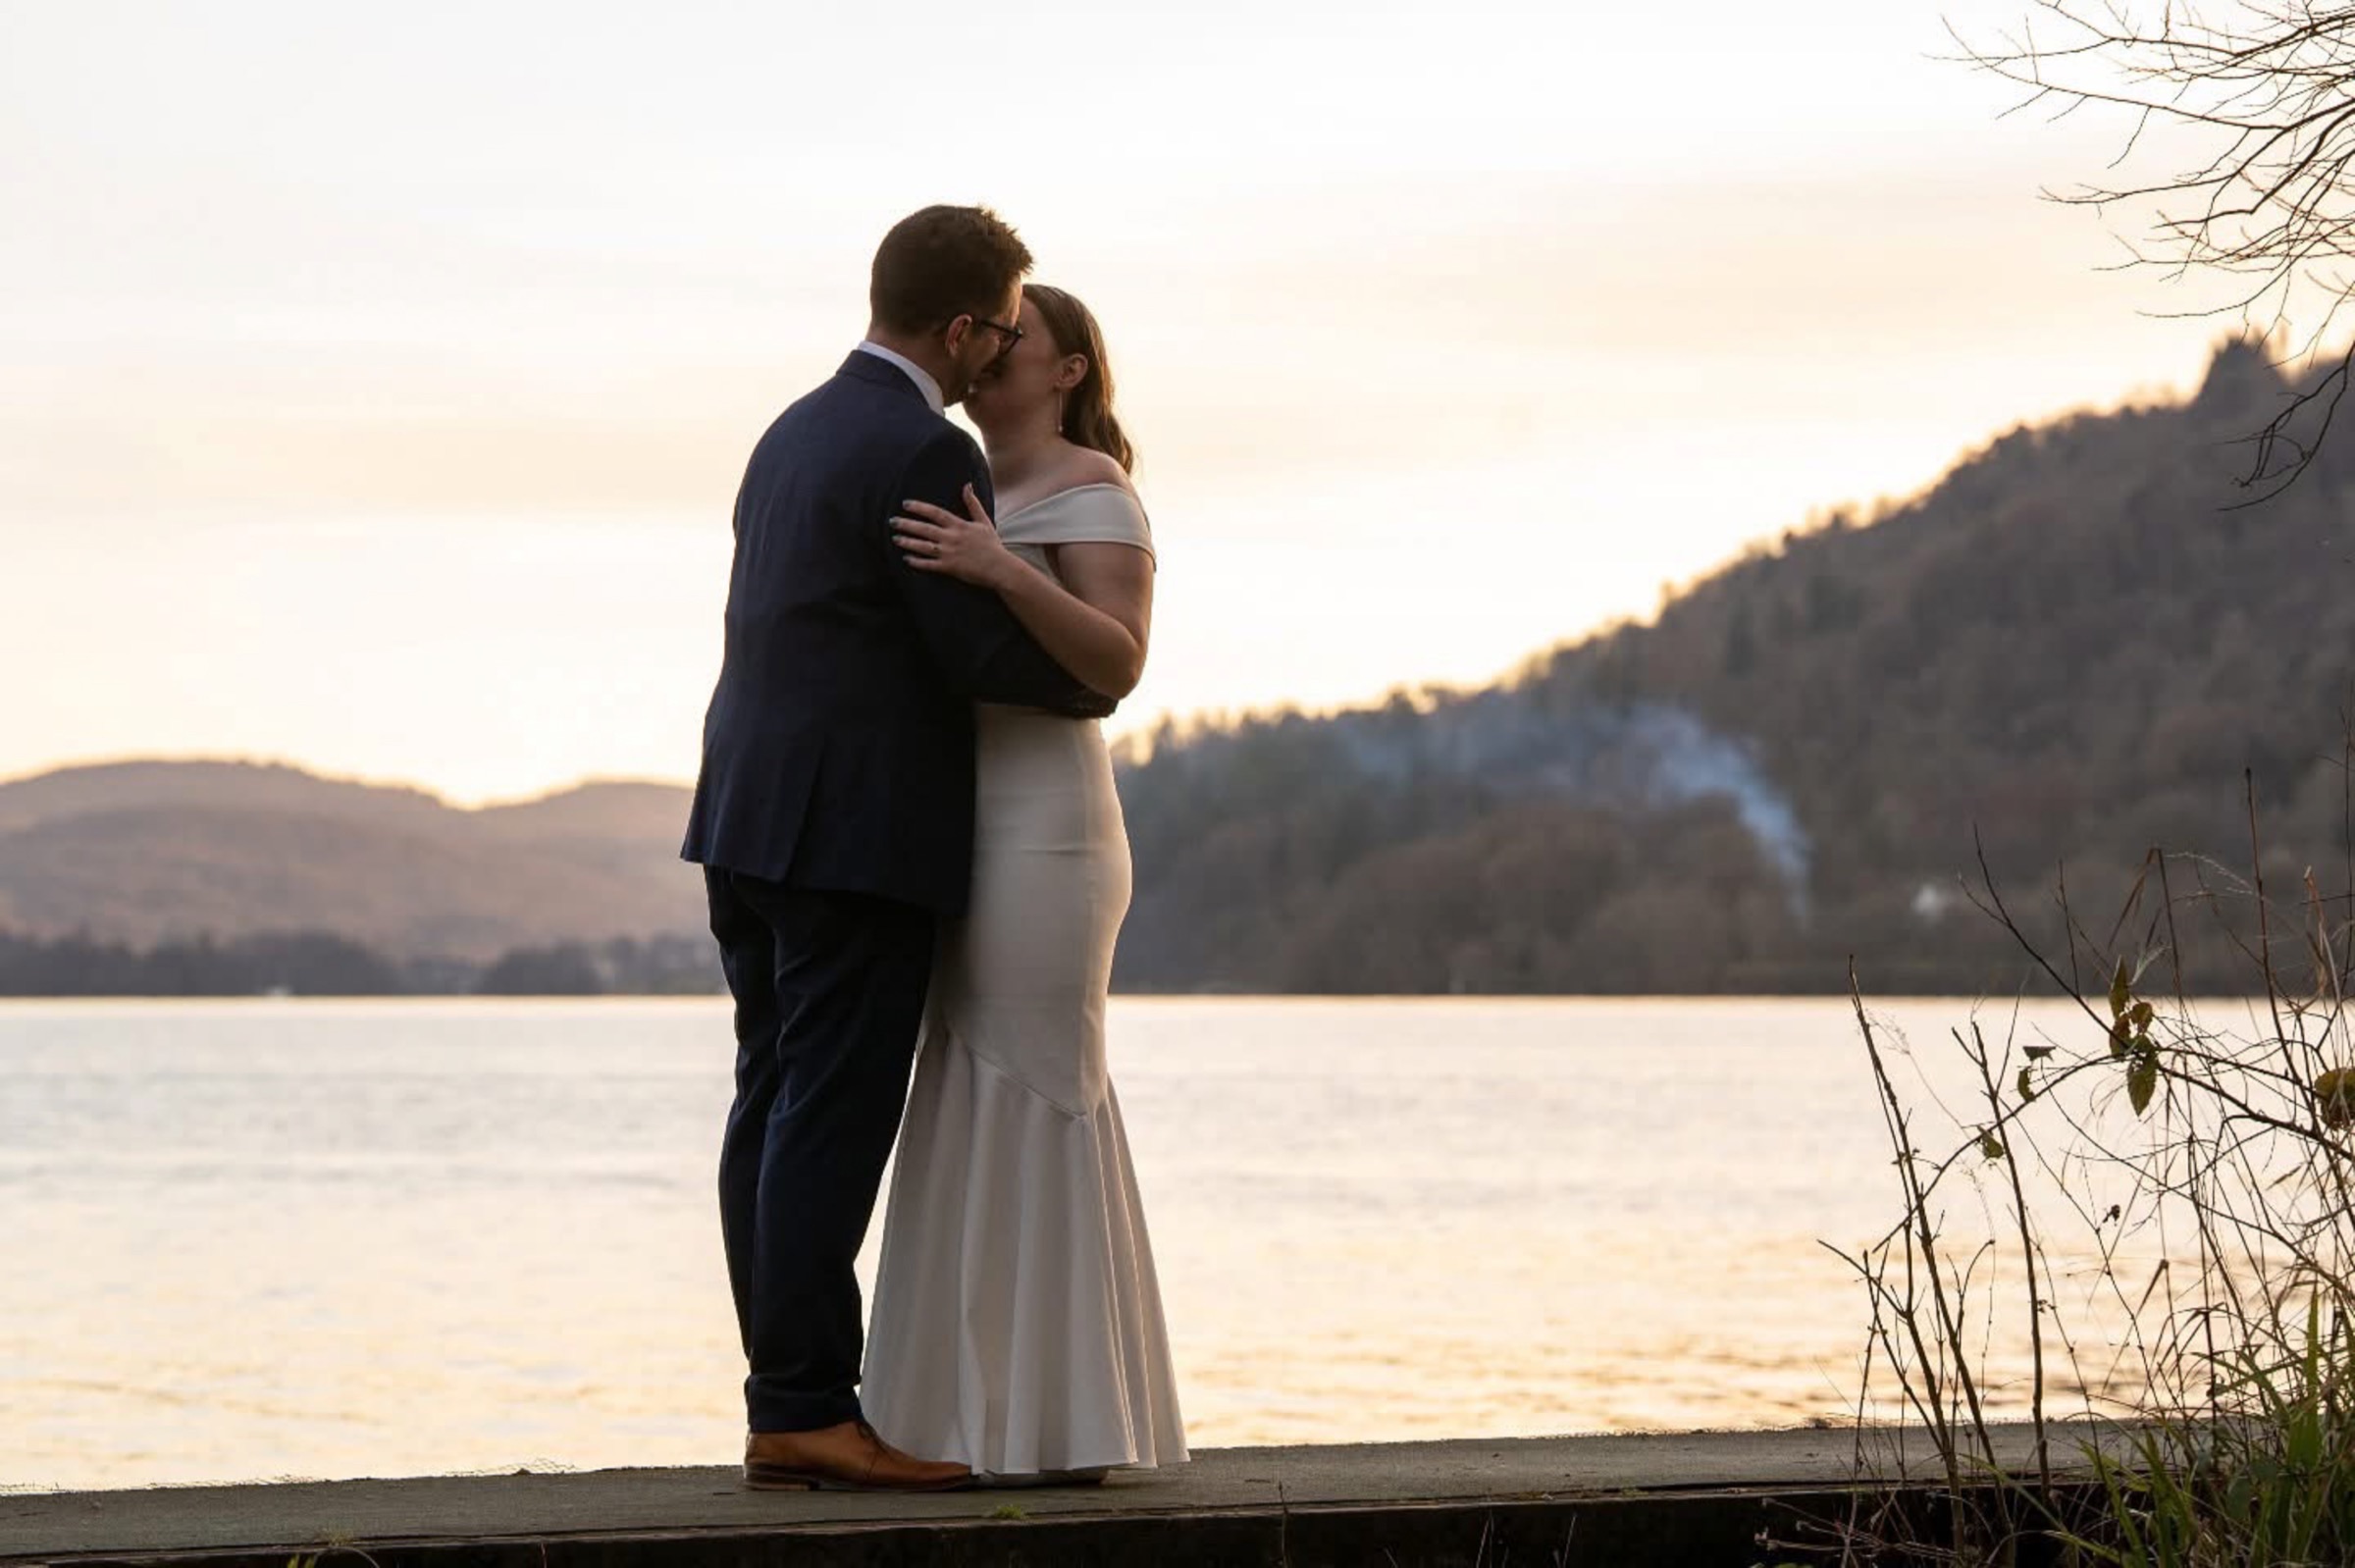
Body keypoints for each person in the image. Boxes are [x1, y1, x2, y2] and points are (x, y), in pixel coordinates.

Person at [680, 206, 1116, 1493]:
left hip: (745, 819)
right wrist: (1081, 655)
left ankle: (785, 1400)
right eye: (1003, 323)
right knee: (829, 1114)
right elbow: (974, 653)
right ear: (969, 328)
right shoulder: (922, 448)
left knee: (767, 1104)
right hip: (853, 836)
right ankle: (810, 1406)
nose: (1002, 352)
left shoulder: (792, 432)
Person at [864, 283, 1188, 1483]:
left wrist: (1004, 569)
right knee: (957, 1084)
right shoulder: (952, 479)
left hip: (1051, 821)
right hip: (953, 814)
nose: (993, 360)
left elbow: (1118, 658)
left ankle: (1061, 1425)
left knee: (1042, 1078)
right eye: (987, 341)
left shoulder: (1097, 490)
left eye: (1017, 345)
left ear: (1067, 369)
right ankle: (950, 1422)